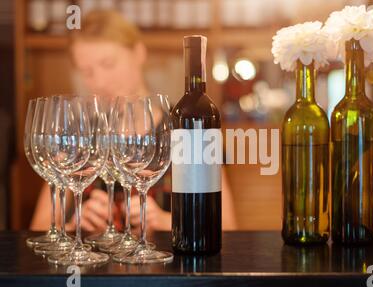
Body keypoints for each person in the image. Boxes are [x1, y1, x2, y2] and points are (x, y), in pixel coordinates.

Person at [30, 10, 237, 233]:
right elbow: (39, 227)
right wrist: (75, 226)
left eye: (108, 64)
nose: (99, 81)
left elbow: (228, 226)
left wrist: (167, 221)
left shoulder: (187, 128)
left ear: (139, 53)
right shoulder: (77, 134)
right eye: (86, 72)